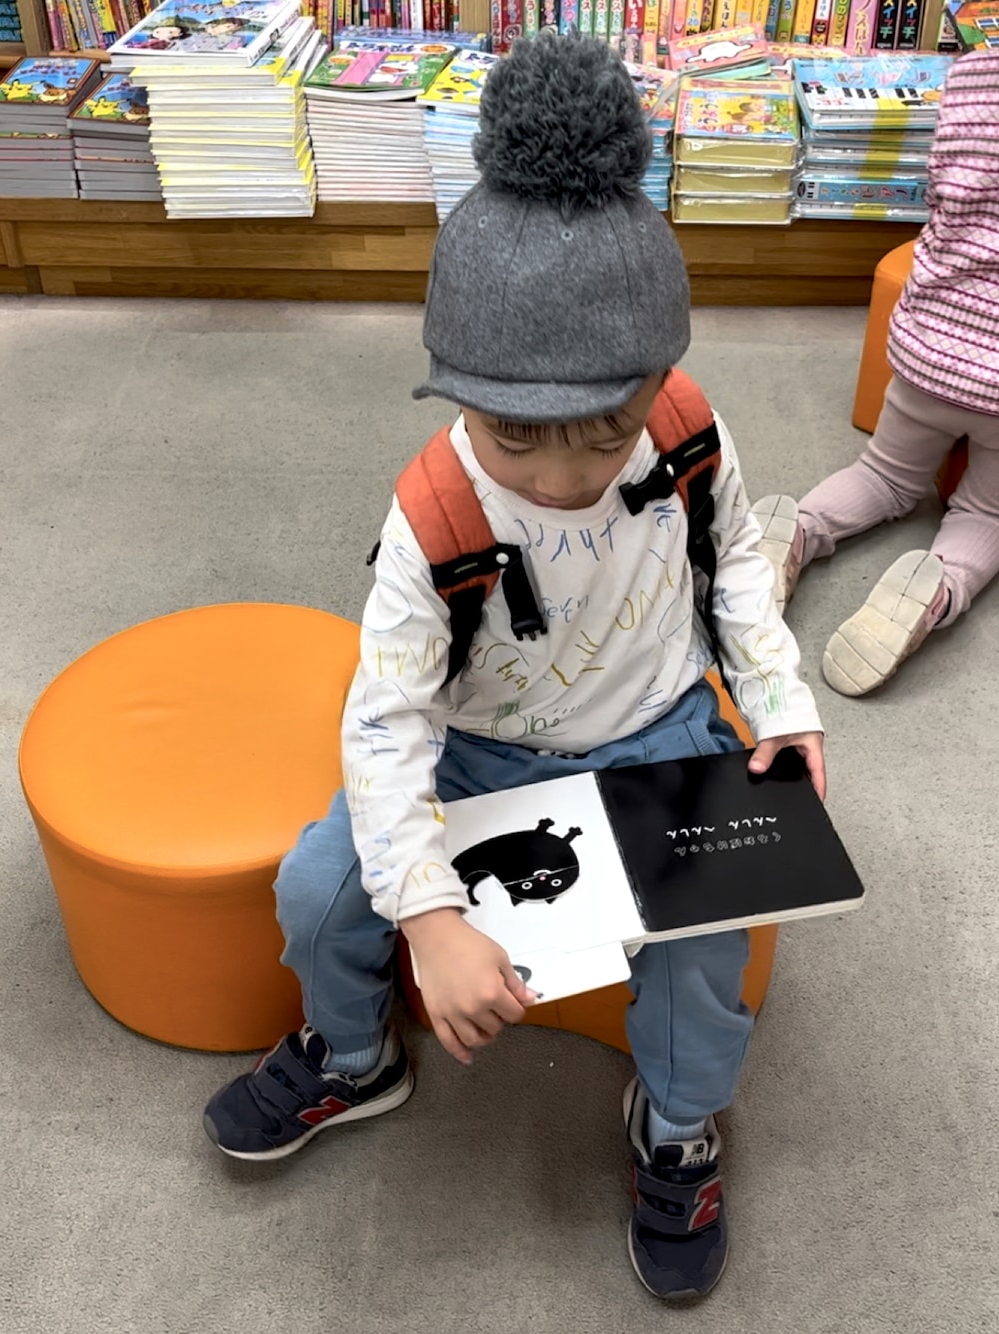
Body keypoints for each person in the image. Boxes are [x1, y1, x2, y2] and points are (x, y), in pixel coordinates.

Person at [202, 33, 825, 1302]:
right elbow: (384, 722)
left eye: (601, 434)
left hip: (657, 729)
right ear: (454, 394)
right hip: (476, 748)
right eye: (513, 436)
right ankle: (354, 1054)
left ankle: (677, 1124)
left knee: (703, 947)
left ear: (657, 381)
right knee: (319, 887)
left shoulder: (689, 434)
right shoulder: (433, 513)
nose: (558, 475)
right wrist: (429, 917)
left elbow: (739, 569)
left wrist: (779, 702)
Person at [752, 50, 999, 697]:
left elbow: (940, 197)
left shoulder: (974, 76)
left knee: (884, 477)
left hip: (929, 345)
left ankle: (798, 531)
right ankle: (938, 590)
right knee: (986, 513)